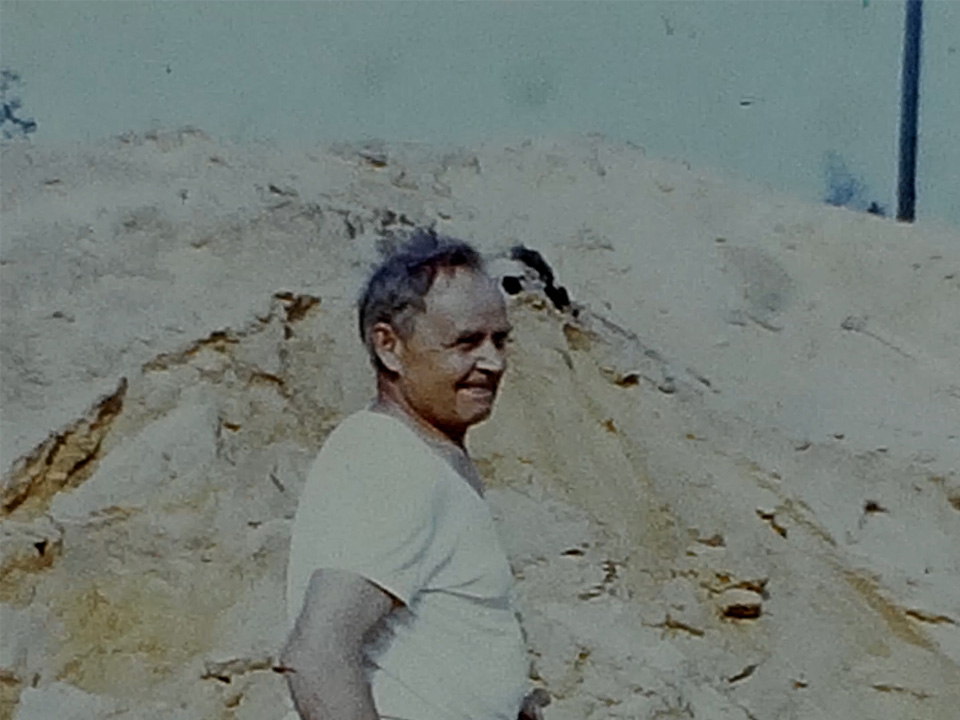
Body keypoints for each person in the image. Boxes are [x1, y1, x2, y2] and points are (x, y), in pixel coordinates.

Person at [280, 229, 547, 720]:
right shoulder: (391, 460)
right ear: (389, 346)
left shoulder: (422, 455)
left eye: (500, 340)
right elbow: (317, 655)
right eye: (466, 342)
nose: (493, 362)